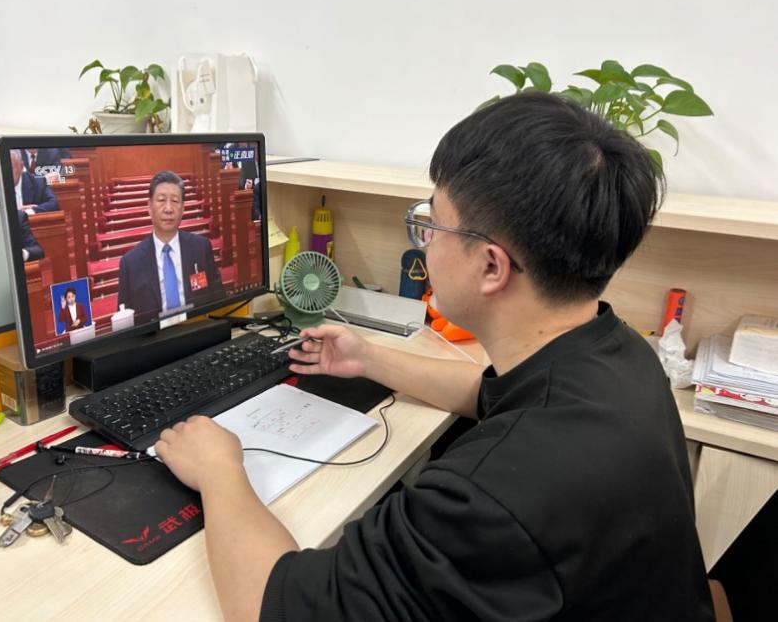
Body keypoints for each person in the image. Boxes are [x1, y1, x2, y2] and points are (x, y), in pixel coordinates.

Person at [154, 93, 715, 622]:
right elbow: (490, 392)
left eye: (432, 224)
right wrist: (369, 359)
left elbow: (271, 606)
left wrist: (220, 471)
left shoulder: (488, 499)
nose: (424, 241)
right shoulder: (618, 354)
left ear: (491, 266)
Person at [117, 170, 224, 323]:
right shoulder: (130, 263)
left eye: (174, 201)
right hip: (154, 337)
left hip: (197, 330)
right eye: (161, 200)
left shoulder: (201, 248)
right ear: (149, 207)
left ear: (183, 208)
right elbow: (124, 319)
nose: (168, 209)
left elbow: (218, 299)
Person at [9, 149, 59, 214]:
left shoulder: (38, 183)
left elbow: (53, 204)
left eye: (10, 168)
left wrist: (30, 211)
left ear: (21, 167)